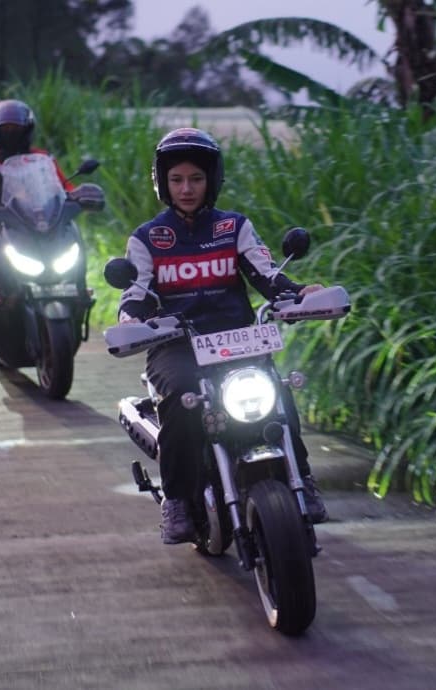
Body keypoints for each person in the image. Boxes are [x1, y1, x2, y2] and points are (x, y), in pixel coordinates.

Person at [116, 127, 329, 544]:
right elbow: (136, 293)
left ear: (211, 180)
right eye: (177, 180)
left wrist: (298, 293)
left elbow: (267, 275)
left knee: (278, 392)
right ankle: (175, 500)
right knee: (179, 400)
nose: (187, 188)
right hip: (175, 345)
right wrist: (130, 321)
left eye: (196, 179)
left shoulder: (234, 227)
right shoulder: (147, 238)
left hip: (236, 340)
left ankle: (301, 477)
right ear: (163, 183)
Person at [0, 99, 84, 329]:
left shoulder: (44, 159)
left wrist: (79, 196)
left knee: (74, 237)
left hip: (39, 221)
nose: (12, 134)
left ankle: (80, 292)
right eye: (6, 130)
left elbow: (63, 188)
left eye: (17, 129)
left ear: (28, 131)